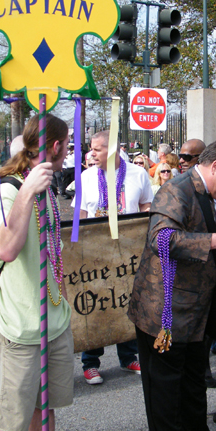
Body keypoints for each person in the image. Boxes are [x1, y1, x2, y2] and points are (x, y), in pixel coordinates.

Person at [128, 136, 216, 431]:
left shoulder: (215, 192)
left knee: (193, 391)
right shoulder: (176, 189)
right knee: (166, 402)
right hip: (166, 315)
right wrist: (214, 240)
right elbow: (160, 240)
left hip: (197, 315)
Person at [0, 114, 72, 431]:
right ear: (54, 146)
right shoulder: (7, 190)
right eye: (67, 145)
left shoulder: (48, 188)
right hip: (19, 327)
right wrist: (26, 193)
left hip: (53, 323)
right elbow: (6, 249)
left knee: (44, 405)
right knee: (11, 417)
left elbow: (53, 253)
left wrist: (63, 304)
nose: (69, 152)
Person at [76, 131, 153, 384]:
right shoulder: (87, 176)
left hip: (128, 251)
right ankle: (91, 362)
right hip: (96, 254)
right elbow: (82, 212)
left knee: (126, 301)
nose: (91, 154)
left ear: (113, 149)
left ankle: (128, 355)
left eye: (97, 149)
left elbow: (145, 207)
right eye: (90, 149)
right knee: (95, 304)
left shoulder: (138, 174)